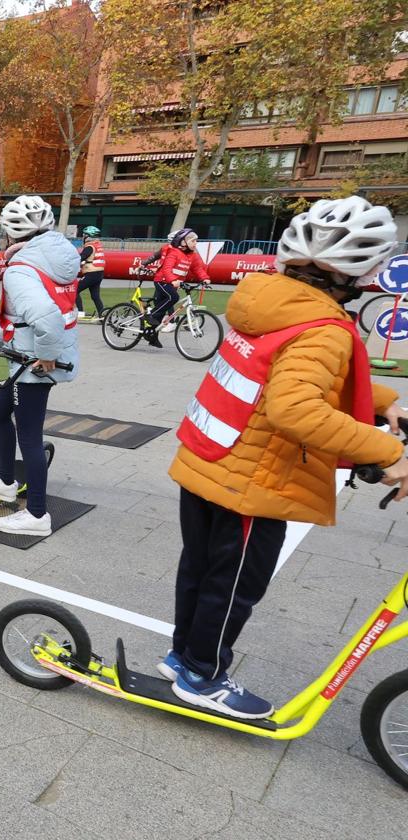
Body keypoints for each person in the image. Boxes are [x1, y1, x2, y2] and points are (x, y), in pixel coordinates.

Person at [160, 196, 408, 719]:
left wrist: (383, 404)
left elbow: (280, 373)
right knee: (234, 587)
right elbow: (296, 409)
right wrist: (389, 452)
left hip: (210, 462)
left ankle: (183, 657)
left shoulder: (270, 299)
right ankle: (202, 678)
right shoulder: (325, 328)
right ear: (362, 274)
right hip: (253, 482)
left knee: (202, 571)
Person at [0, 195, 80, 537]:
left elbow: (46, 319)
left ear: (10, 234)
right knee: (1, 413)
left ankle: (37, 515)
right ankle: (6, 480)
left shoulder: (21, 270)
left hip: (34, 364)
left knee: (30, 437)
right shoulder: (57, 256)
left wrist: (46, 355)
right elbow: (31, 314)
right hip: (26, 356)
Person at [145, 228, 207, 347]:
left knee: (161, 310)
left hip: (173, 283)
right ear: (183, 242)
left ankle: (152, 337)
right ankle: (151, 315)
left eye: (196, 241)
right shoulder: (173, 252)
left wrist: (204, 278)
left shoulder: (192, 256)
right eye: (193, 241)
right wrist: (172, 280)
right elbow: (167, 268)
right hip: (162, 280)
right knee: (173, 298)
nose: (196, 244)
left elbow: (197, 268)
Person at [76, 225, 106, 321]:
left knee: (75, 290)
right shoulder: (98, 245)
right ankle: (102, 316)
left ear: (88, 236)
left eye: (84, 235)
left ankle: (80, 313)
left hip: (91, 273)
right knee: (95, 296)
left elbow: (80, 258)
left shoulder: (89, 247)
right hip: (99, 273)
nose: (83, 237)